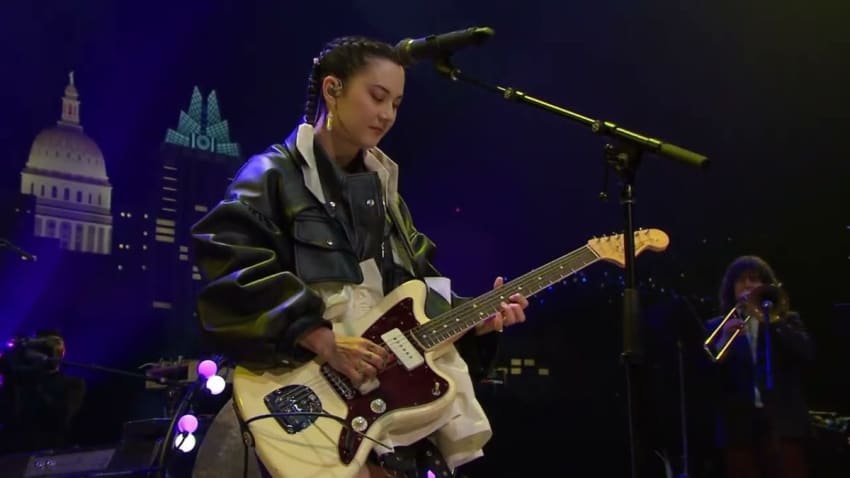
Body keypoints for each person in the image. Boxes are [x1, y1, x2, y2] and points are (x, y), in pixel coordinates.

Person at [189, 35, 529, 478]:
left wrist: (474, 318)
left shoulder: (387, 193)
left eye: (397, 103)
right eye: (377, 96)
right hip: (307, 398)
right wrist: (321, 337)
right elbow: (230, 266)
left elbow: (416, 289)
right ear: (332, 90)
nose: (387, 114)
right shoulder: (272, 174)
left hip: (382, 401)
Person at [703, 255, 814, 478]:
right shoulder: (717, 326)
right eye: (741, 281)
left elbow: (806, 354)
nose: (748, 286)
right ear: (731, 288)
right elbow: (706, 381)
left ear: (766, 286)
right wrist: (724, 341)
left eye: (755, 280)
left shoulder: (786, 320)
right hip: (739, 429)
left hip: (783, 424)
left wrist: (774, 322)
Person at [0, 329, 86, 454]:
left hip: (50, 451)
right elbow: (6, 415)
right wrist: (10, 376)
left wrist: (34, 378)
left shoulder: (73, 384)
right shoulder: (17, 382)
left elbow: (58, 417)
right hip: (12, 452)